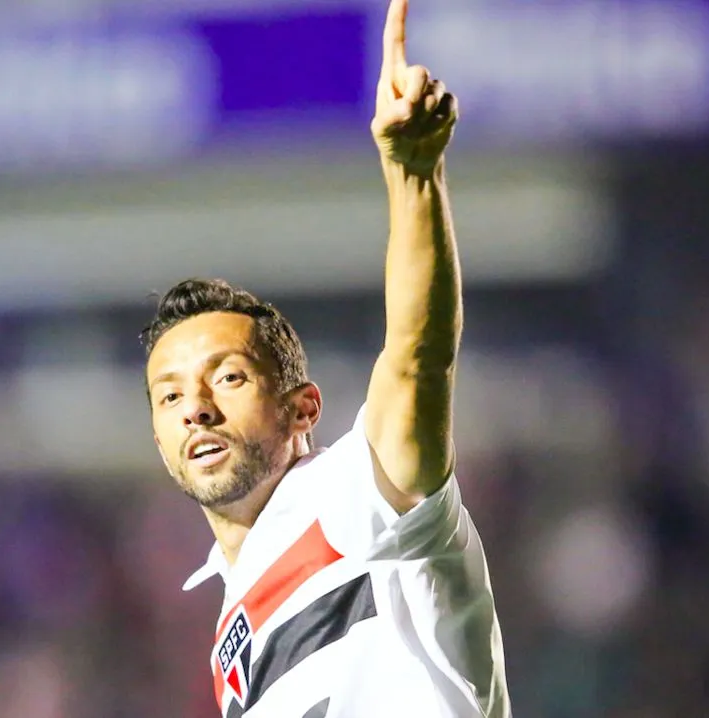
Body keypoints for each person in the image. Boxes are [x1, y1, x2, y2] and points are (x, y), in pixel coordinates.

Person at [141, 1, 510, 715]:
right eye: (170, 395)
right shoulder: (230, 621)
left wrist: (413, 176)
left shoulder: (355, 496)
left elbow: (416, 359)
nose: (196, 409)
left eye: (228, 377)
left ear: (302, 408)